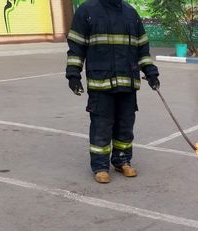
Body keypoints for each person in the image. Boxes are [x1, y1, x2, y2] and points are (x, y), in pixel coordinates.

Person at [65, 0, 160, 183]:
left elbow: (142, 47)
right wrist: (73, 74)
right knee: (101, 126)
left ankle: (122, 160)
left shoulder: (131, 13)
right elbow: (76, 45)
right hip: (101, 82)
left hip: (128, 81)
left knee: (125, 125)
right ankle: (100, 166)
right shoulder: (87, 10)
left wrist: (150, 72)